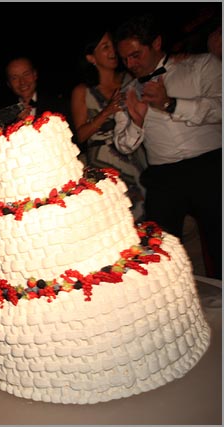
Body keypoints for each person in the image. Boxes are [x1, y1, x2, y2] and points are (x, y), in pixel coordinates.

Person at [113, 14, 222, 279]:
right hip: (163, 175)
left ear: (157, 44)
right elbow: (123, 145)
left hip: (211, 166)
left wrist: (170, 104)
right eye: (125, 58)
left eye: (136, 55)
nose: (130, 64)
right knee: (162, 252)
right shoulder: (128, 90)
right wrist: (137, 123)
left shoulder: (201, 65)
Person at [70, 28, 147, 220]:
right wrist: (106, 112)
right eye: (105, 47)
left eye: (112, 45)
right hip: (104, 164)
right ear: (91, 57)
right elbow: (80, 135)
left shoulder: (130, 79)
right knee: (121, 219)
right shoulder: (83, 91)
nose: (112, 51)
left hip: (137, 155)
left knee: (148, 213)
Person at [5, 56, 70, 122]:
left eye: (26, 74)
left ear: (35, 74)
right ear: (9, 84)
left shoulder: (59, 103)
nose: (22, 82)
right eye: (14, 78)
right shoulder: (5, 116)